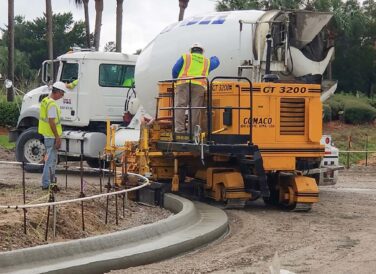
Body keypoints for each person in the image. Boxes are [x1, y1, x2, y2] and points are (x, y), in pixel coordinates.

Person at [172, 43, 220, 133]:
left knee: (180, 107)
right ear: (202, 52)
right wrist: (214, 57)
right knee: (195, 109)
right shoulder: (207, 61)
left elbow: (175, 69)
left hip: (183, 83)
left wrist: (175, 79)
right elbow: (216, 61)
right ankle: (193, 132)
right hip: (199, 86)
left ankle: (179, 130)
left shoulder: (185, 57)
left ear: (191, 50)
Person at [38, 81, 67, 190]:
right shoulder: (52, 105)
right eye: (62, 93)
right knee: (50, 161)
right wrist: (57, 137)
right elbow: (52, 122)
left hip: (47, 135)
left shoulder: (45, 101)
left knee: (50, 160)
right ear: (57, 92)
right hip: (51, 136)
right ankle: (47, 184)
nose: (62, 96)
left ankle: (49, 182)